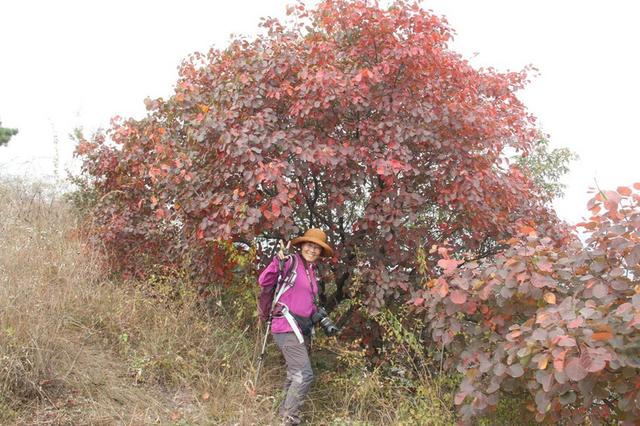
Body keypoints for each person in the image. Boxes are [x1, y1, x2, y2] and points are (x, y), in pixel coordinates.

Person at [258, 228, 334, 426]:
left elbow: (306, 299)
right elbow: (264, 280)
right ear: (301, 245)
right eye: (310, 245)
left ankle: (281, 415)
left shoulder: (311, 270)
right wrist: (277, 262)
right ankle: (290, 420)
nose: (313, 250)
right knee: (304, 374)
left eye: (317, 248)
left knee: (294, 374)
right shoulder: (290, 262)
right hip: (284, 325)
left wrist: (319, 316)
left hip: (300, 328)